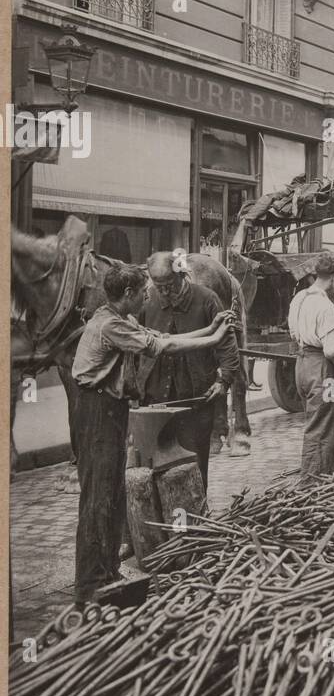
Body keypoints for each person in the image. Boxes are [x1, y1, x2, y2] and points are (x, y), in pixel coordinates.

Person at [71, 265, 235, 601]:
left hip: (111, 409)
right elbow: (163, 349)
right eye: (144, 290)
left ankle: (107, 572)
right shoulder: (109, 324)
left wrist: (211, 327)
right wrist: (215, 339)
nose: (149, 295)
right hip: (96, 411)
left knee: (113, 494)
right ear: (129, 294)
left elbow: (162, 338)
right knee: (97, 496)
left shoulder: (119, 317)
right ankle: (89, 584)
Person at [138, 251, 241, 487]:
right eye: (159, 286)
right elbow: (138, 349)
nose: (164, 292)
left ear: (182, 274)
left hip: (195, 397)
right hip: (156, 398)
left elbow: (227, 344)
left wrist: (223, 380)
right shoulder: (148, 300)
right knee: (156, 466)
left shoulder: (207, 299)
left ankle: (194, 516)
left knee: (194, 465)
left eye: (169, 285)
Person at [288, 251, 334, 481]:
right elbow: (332, 351)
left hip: (301, 365)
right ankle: (314, 482)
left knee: (314, 423)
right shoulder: (325, 306)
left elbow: (293, 332)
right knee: (322, 427)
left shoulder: (299, 298)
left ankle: (320, 477)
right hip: (323, 372)